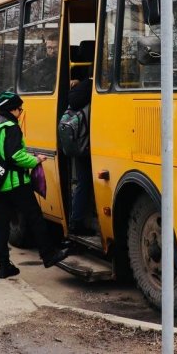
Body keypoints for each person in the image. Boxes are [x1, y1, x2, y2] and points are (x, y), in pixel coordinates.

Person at [0, 91, 68, 278]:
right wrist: (35, 160)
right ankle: (49, 255)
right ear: (12, 109)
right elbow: (15, 156)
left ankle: (3, 266)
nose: (21, 111)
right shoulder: (11, 127)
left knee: (1, 224)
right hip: (16, 183)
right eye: (20, 108)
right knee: (35, 217)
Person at [66, 76, 94, 236]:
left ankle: (76, 220)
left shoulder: (75, 103)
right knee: (84, 183)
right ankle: (77, 222)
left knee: (82, 183)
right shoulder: (91, 96)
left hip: (79, 146)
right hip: (88, 147)